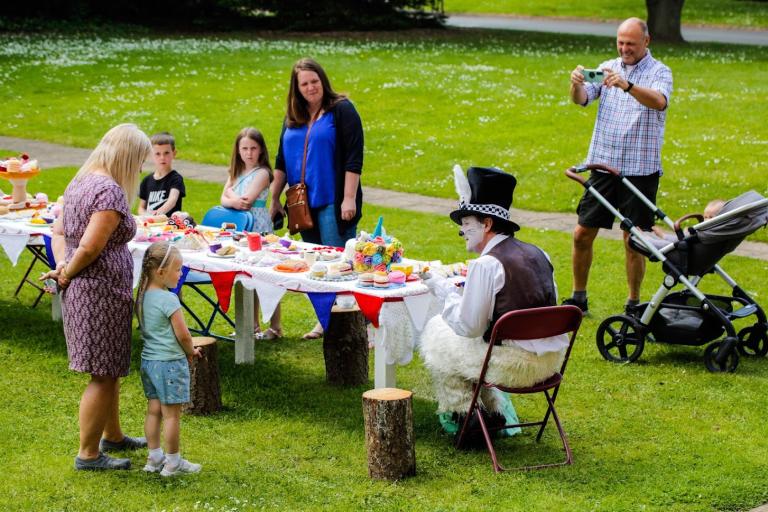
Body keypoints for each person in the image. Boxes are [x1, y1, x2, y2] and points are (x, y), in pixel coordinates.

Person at [420, 166, 570, 444]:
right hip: (551, 362)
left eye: (466, 223)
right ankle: (491, 411)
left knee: (437, 332)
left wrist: (445, 292)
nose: (462, 231)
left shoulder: (486, 265)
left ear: (486, 224)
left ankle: (467, 414)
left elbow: (469, 327)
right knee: (467, 341)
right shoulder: (541, 253)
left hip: (515, 367)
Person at [41, 124, 151, 470]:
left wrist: (62, 265)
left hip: (88, 286)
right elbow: (90, 246)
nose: (140, 169)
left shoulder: (80, 180)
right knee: (102, 374)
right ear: (126, 155)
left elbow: (60, 232)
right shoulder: (109, 190)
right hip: (97, 290)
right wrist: (68, 271)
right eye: (139, 161)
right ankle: (88, 454)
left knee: (110, 368)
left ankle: (113, 435)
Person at [564, 17, 673, 314]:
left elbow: (659, 102)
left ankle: (634, 303)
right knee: (581, 234)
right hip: (604, 165)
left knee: (634, 240)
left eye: (631, 44)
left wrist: (627, 85)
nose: (624, 49)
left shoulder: (660, 72)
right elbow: (583, 99)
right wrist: (575, 86)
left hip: (641, 169)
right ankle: (578, 298)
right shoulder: (607, 66)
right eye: (621, 43)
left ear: (646, 42)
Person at [270, 57, 364, 340]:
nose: (311, 87)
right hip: (301, 203)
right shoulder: (292, 118)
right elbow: (280, 161)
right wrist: (274, 198)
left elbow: (353, 157)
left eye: (315, 81)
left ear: (323, 81)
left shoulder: (342, 111)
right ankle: (324, 319)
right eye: (304, 83)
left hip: (332, 200)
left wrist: (349, 198)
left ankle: (353, 323)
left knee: (340, 265)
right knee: (315, 266)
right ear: (296, 89)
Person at [135, 241, 202, 476]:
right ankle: (173, 462)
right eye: (177, 269)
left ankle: (154, 458)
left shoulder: (142, 297)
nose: (181, 273)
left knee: (153, 410)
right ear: (161, 272)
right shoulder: (169, 299)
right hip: (170, 363)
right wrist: (191, 350)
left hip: (149, 363)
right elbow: (183, 334)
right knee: (171, 415)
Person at [222, 127, 282, 339]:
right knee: (245, 276)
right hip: (241, 229)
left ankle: (275, 326)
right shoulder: (236, 172)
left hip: (258, 228)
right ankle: (251, 324)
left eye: (253, 148)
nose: (249, 153)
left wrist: (231, 194)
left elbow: (247, 200)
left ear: (261, 150)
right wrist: (231, 197)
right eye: (244, 148)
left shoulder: (263, 173)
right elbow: (223, 199)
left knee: (265, 276)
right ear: (238, 150)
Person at [138, 132, 186, 216]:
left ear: (174, 153)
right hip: (150, 225)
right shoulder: (146, 180)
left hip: (169, 225)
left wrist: (157, 214)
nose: (162, 158)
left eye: (166, 153)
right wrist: (145, 216)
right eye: (157, 154)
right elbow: (141, 207)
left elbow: (172, 201)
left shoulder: (176, 178)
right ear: (151, 155)